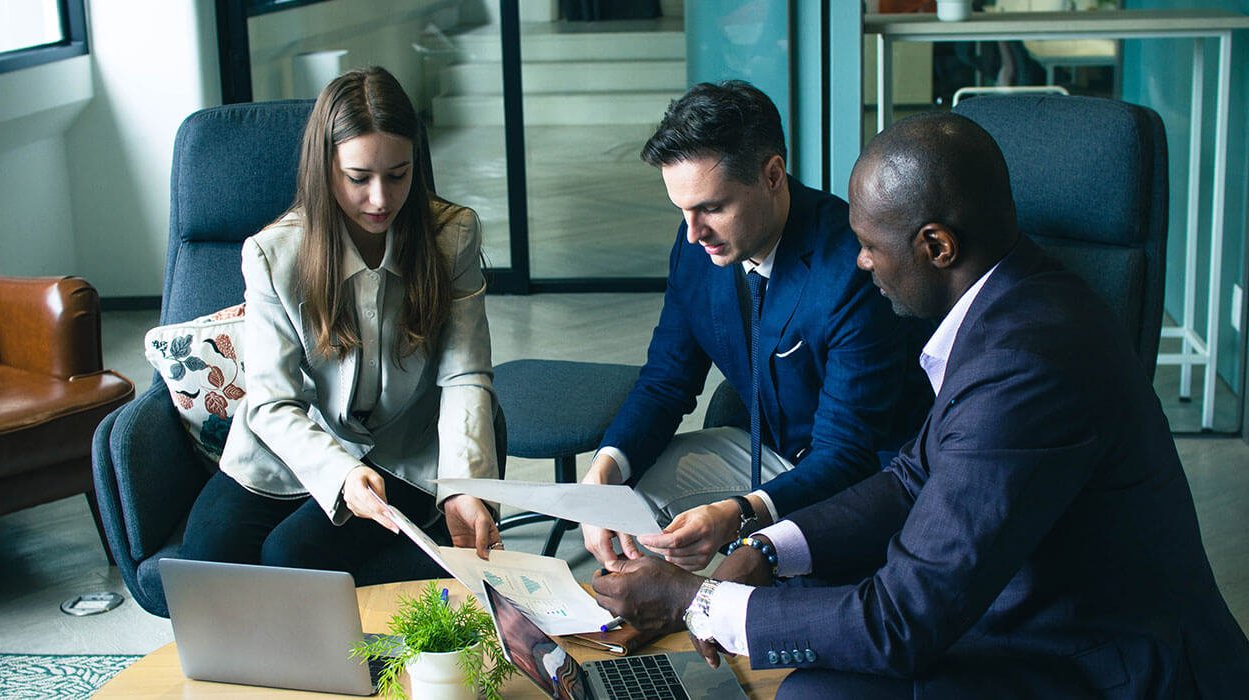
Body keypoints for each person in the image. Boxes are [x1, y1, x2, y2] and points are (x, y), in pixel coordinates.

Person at [591, 111, 1249, 697]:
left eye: (871, 247)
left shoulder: (1028, 364)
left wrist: (697, 600)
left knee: (816, 693)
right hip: (1013, 604)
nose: (861, 263)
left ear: (936, 247)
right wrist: (766, 550)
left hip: (1095, 661)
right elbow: (912, 476)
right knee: (814, 681)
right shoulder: (1011, 305)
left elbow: (898, 624)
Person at [581, 80, 930, 570]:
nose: (693, 233)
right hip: (769, 449)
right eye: (682, 210)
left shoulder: (852, 269)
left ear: (772, 175)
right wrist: (604, 470)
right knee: (628, 498)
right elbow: (665, 381)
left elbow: (847, 453)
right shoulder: (696, 244)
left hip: (869, 477)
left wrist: (738, 514)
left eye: (712, 208)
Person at [181, 66, 502, 579]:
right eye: (358, 178)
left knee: (292, 557)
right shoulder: (272, 255)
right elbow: (272, 401)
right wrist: (340, 472)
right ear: (325, 168)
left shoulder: (452, 236)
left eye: (397, 175)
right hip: (298, 441)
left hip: (405, 447)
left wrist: (464, 486)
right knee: (205, 558)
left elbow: (465, 375)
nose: (381, 199)